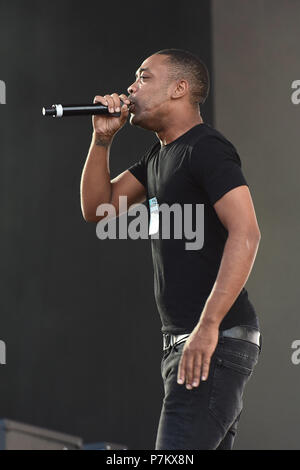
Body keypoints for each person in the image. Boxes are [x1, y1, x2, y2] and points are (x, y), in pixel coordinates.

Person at [80, 48, 262, 450]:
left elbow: (247, 233)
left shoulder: (206, 147)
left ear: (180, 88)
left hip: (211, 341)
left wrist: (207, 326)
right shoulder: (159, 157)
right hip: (191, 343)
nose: (131, 87)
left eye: (144, 77)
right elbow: (98, 207)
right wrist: (101, 139)